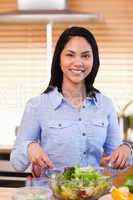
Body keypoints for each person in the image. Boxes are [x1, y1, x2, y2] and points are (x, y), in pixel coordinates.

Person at [10, 26, 132, 180]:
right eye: (70, 55)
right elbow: (16, 162)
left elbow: (116, 164)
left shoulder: (105, 105)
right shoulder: (37, 105)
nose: (78, 62)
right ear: (59, 60)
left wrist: (126, 149)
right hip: (52, 193)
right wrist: (29, 148)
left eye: (86, 56)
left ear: (94, 61)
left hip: (91, 193)